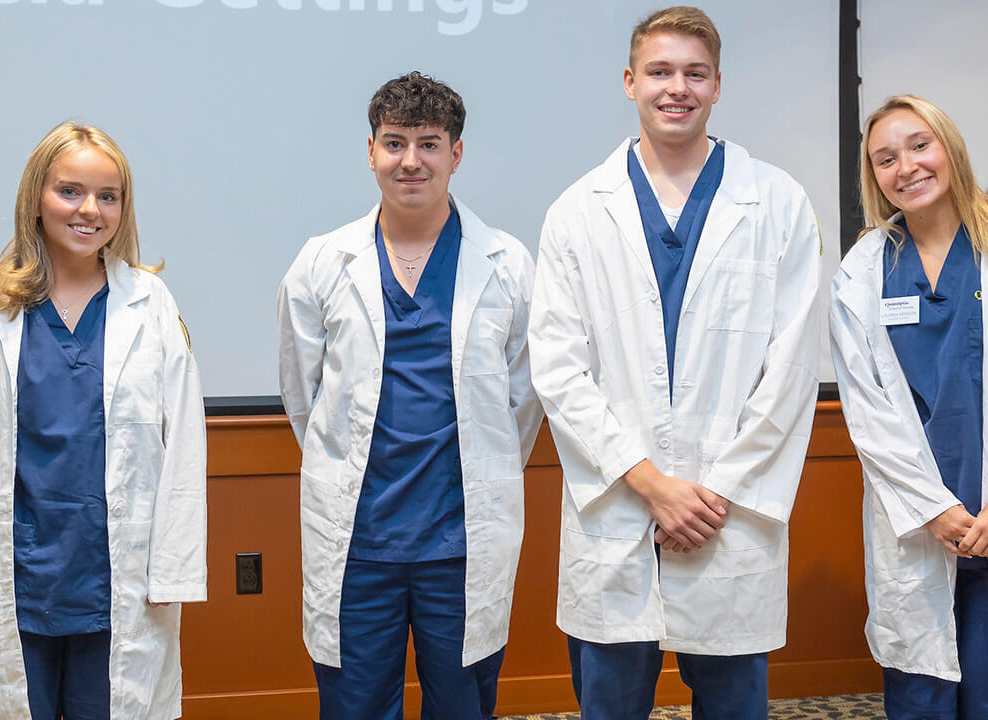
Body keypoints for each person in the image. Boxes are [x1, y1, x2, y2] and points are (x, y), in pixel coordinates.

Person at [528, 7, 822, 719]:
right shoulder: (577, 211)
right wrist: (651, 484)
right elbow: (559, 370)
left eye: (694, 73)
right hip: (619, 504)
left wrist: (711, 493)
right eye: (659, 72)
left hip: (728, 512)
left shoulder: (777, 203)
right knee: (610, 704)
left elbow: (791, 367)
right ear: (630, 81)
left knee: (731, 704)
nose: (676, 88)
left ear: (718, 84)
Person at [277, 71, 542, 720]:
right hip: (359, 538)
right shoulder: (321, 262)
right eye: (394, 143)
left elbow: (522, 399)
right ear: (370, 151)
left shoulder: (506, 263)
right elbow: (304, 396)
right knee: (356, 704)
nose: (411, 161)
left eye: (429, 143)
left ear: (456, 154)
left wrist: (483, 470)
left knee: (462, 705)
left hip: (460, 541)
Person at [0, 121, 208, 720]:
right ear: (36, 198)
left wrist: (174, 569)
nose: (90, 210)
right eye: (70, 191)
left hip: (121, 585)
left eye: (108, 196)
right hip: (19, 579)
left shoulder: (150, 306)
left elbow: (184, 440)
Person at [829, 95, 988, 719]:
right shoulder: (864, 268)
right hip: (919, 523)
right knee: (921, 695)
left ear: (951, 148)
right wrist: (935, 508)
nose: (906, 167)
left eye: (920, 145)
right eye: (885, 158)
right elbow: (868, 410)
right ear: (875, 176)